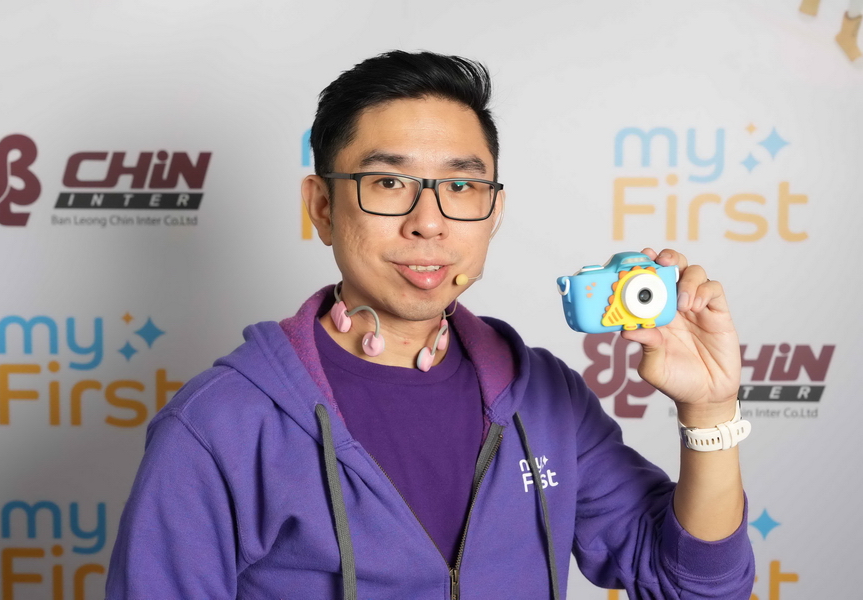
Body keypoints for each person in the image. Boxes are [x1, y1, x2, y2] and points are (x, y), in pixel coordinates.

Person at [106, 50, 754, 599]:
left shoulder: (543, 398)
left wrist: (710, 411)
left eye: (461, 187)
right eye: (389, 183)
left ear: (494, 212)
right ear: (322, 207)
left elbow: (692, 588)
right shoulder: (220, 426)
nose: (429, 222)